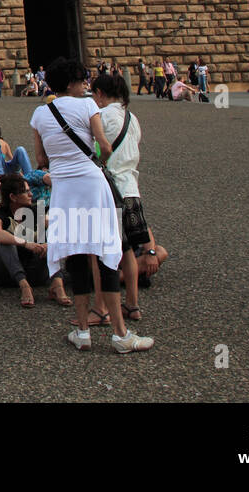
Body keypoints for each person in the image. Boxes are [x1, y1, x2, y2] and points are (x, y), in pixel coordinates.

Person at [30, 57, 152, 353]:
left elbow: (41, 160)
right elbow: (105, 146)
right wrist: (97, 163)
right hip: (92, 185)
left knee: (75, 253)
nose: (86, 85)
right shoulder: (87, 106)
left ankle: (82, 331)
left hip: (64, 189)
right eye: (83, 80)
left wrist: (61, 162)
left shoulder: (39, 113)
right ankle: (121, 335)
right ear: (73, 82)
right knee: (105, 250)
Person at [91, 73, 149, 322]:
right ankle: (133, 306)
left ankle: (101, 309)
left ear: (101, 94)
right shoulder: (132, 118)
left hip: (109, 191)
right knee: (127, 251)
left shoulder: (102, 116)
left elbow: (95, 149)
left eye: (94, 94)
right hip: (131, 190)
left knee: (104, 253)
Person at [0, 173, 70, 308]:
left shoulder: (36, 211)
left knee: (49, 236)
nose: (31, 194)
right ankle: (24, 286)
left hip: (37, 273)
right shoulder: (1, 213)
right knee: (4, 240)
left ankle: (58, 285)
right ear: (13, 197)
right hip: (8, 276)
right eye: (26, 192)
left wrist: (50, 244)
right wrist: (25, 243)